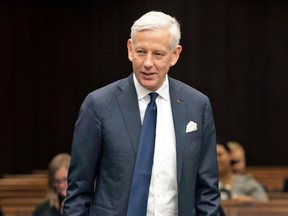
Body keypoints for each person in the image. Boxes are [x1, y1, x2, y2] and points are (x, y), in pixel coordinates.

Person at [63, 11, 220, 216]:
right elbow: (78, 190)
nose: (147, 63)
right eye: (140, 51)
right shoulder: (99, 104)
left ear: (175, 55)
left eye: (158, 54)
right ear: (130, 49)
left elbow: (207, 191)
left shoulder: (197, 105)